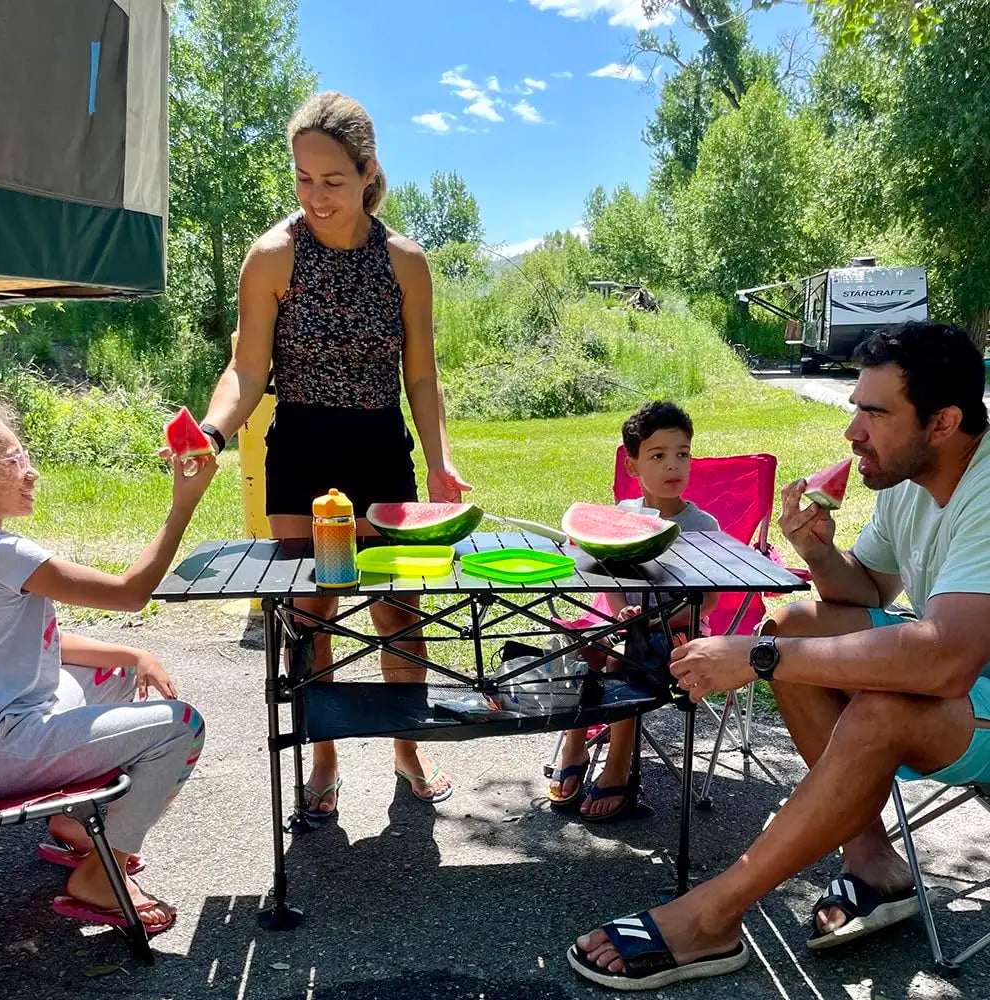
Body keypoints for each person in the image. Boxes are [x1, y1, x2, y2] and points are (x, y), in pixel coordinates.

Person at [568, 321, 990, 990]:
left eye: (873, 413)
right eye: (855, 407)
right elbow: (872, 590)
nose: (852, 432)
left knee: (873, 704)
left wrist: (759, 659)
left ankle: (714, 914)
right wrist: (819, 553)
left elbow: (947, 662)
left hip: (977, 680)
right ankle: (871, 858)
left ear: (942, 423)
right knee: (792, 622)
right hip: (965, 671)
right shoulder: (912, 480)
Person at [196, 92, 470, 817]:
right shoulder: (272, 256)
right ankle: (324, 758)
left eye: (333, 181)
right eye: (303, 179)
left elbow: (421, 375)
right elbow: (248, 370)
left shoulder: (405, 261)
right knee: (310, 616)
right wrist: (215, 432)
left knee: (398, 612)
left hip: (382, 446)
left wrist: (439, 460)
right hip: (302, 449)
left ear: (367, 171)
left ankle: (406, 748)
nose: (315, 196)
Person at [0, 397, 216, 935]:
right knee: (181, 726)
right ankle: (98, 875)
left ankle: (70, 823)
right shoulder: (5, 552)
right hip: (5, 746)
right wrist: (184, 502)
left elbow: (31, 644)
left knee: (115, 674)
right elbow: (130, 593)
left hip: (10, 727)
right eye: (14, 459)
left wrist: (134, 654)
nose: (32, 471)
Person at [549, 401, 718, 821]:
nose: (673, 465)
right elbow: (607, 578)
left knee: (625, 653)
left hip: (676, 633)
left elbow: (709, 601)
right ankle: (574, 740)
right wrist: (623, 612)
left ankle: (618, 766)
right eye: (658, 456)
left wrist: (653, 620)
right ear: (632, 465)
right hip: (615, 625)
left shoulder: (704, 526)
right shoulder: (619, 518)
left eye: (682, 454)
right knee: (586, 641)